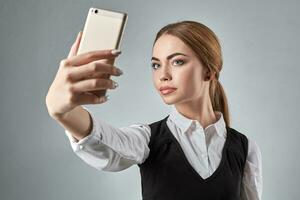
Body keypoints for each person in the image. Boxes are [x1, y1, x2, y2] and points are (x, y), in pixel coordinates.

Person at [45, 20, 262, 200]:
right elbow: (108, 145)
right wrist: (63, 111)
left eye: (177, 62)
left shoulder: (244, 149)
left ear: (209, 72)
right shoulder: (147, 138)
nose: (163, 75)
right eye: (156, 65)